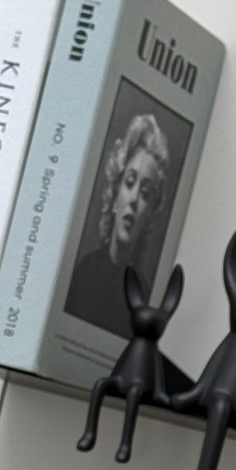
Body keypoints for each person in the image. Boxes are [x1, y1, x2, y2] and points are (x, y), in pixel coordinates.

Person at [65, 112, 172, 336]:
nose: (134, 199)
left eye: (145, 193)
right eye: (130, 183)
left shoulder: (144, 297)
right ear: (115, 197)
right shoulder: (86, 272)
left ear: (149, 217)